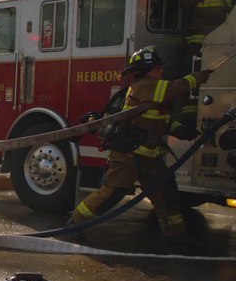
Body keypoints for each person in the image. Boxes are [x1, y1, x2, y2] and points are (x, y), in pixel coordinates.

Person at [68, 46, 210, 242]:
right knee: (112, 194)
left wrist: (179, 129)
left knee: (166, 193)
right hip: (128, 156)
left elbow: (159, 121)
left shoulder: (153, 92)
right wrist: (201, 75)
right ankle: (75, 223)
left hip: (150, 157)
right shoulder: (146, 86)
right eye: (158, 68)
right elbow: (177, 87)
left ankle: (175, 233)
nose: (162, 71)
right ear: (146, 71)